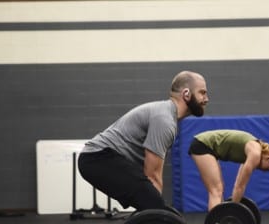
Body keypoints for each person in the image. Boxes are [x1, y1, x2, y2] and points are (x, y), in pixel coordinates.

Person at [78, 70, 209, 212]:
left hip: (101, 158)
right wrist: (156, 209)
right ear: (186, 94)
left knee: (151, 203)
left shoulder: (167, 117)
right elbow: (152, 176)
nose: (206, 99)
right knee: (154, 205)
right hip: (98, 158)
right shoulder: (164, 120)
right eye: (202, 92)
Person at [188, 129, 269, 211]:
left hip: (209, 148)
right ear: (268, 158)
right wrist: (233, 212)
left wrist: (233, 208)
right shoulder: (255, 154)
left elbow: (238, 182)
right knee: (216, 190)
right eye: (267, 169)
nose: (263, 170)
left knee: (219, 188)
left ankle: (220, 219)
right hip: (203, 145)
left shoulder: (252, 152)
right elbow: (240, 186)